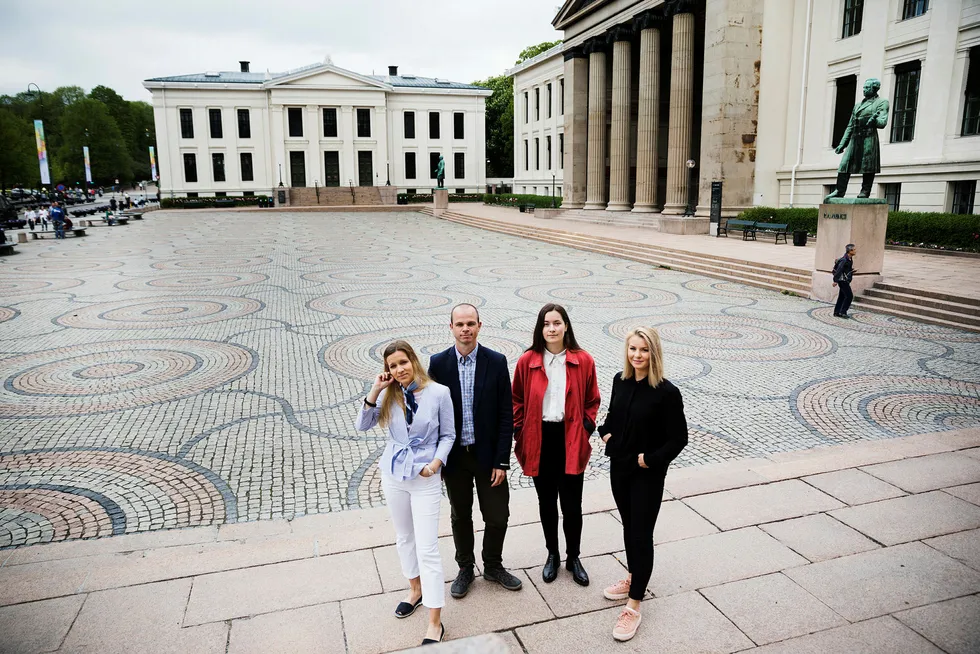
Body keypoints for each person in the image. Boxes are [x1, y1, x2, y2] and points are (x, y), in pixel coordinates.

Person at [356, 340, 452, 646]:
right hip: (394, 474)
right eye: (392, 366)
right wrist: (376, 389)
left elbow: (448, 434)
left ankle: (435, 622)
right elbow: (362, 425)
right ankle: (415, 590)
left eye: (403, 362)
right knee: (404, 537)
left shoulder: (438, 392)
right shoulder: (388, 394)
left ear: (413, 360)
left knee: (427, 548)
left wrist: (436, 463)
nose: (399, 370)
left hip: (425, 476)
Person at [598, 327, 688, 641]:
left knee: (641, 533)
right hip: (618, 468)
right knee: (627, 526)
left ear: (654, 353)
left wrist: (648, 459)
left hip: (646, 474)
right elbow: (611, 418)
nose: (637, 355)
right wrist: (605, 433)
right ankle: (634, 576)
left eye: (644, 350)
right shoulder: (619, 381)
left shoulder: (666, 392)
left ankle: (634, 605)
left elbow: (679, 439)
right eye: (633, 349)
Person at [428, 304, 522, 598]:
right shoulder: (438, 363)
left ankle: (493, 565)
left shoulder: (495, 361)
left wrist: (502, 461)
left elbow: (506, 415)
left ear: (480, 326)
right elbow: (430, 415)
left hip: (487, 455)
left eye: (471, 323)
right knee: (460, 515)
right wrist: (437, 460)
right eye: (460, 324)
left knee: (497, 515)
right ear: (451, 327)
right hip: (455, 457)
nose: (465, 329)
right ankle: (465, 567)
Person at [513, 303, 600, 587]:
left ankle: (573, 556)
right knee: (547, 502)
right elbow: (516, 399)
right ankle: (552, 554)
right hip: (539, 437)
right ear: (540, 328)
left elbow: (592, 400)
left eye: (557, 323)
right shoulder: (528, 361)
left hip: (571, 436)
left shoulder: (583, 359)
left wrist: (586, 427)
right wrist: (520, 429)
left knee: (573, 505)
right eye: (546, 324)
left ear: (566, 326)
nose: (552, 328)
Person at [832, 244, 856, 318]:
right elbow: (839, 270)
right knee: (849, 296)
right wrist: (835, 281)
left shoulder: (849, 258)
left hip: (844, 280)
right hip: (842, 281)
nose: (855, 251)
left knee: (842, 296)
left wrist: (852, 271)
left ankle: (837, 312)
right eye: (854, 250)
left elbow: (845, 270)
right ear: (850, 251)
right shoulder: (844, 260)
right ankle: (843, 312)